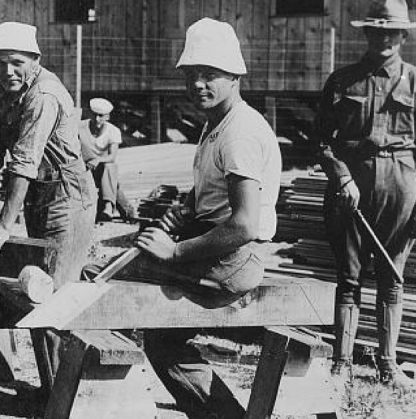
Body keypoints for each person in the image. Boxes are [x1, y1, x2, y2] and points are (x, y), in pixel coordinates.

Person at [81, 18, 281, 418]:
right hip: (219, 245)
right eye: (191, 76)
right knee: (160, 338)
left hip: (232, 257)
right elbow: (213, 190)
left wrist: (174, 252)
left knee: (101, 281)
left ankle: (105, 403)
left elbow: (244, 224)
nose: (198, 85)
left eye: (210, 76)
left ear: (235, 76)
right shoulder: (218, 124)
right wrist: (184, 211)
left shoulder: (240, 133)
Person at [314, 0, 416, 388]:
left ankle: (388, 364)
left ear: (403, 36)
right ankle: (341, 363)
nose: (384, 38)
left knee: (392, 277)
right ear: (366, 34)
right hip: (351, 187)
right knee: (349, 278)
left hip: (401, 186)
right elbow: (321, 140)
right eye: (377, 31)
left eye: (392, 32)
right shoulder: (342, 81)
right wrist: (342, 178)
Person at [0, 22, 97, 382]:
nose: (7, 71)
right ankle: (47, 390)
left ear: (35, 59)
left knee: (55, 297)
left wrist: (3, 224)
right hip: (38, 195)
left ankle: (59, 399)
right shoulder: (3, 89)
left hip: (67, 197)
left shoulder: (43, 95)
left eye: (15, 62)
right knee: (34, 287)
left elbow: (25, 161)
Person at [79, 97, 136, 221]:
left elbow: (112, 156)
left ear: (107, 117)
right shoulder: (79, 127)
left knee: (110, 167)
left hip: (101, 170)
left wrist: (98, 160)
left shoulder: (113, 131)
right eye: (94, 115)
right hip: (82, 167)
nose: (97, 119)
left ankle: (108, 205)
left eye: (101, 116)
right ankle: (125, 210)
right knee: (113, 183)